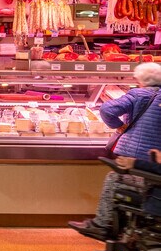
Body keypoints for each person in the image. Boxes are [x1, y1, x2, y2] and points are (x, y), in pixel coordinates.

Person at [69, 62, 161, 238]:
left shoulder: (138, 93)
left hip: (136, 158)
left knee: (116, 179)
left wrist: (119, 126)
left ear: (141, 79)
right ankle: (129, 234)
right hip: (154, 161)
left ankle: (102, 225)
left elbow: (107, 109)